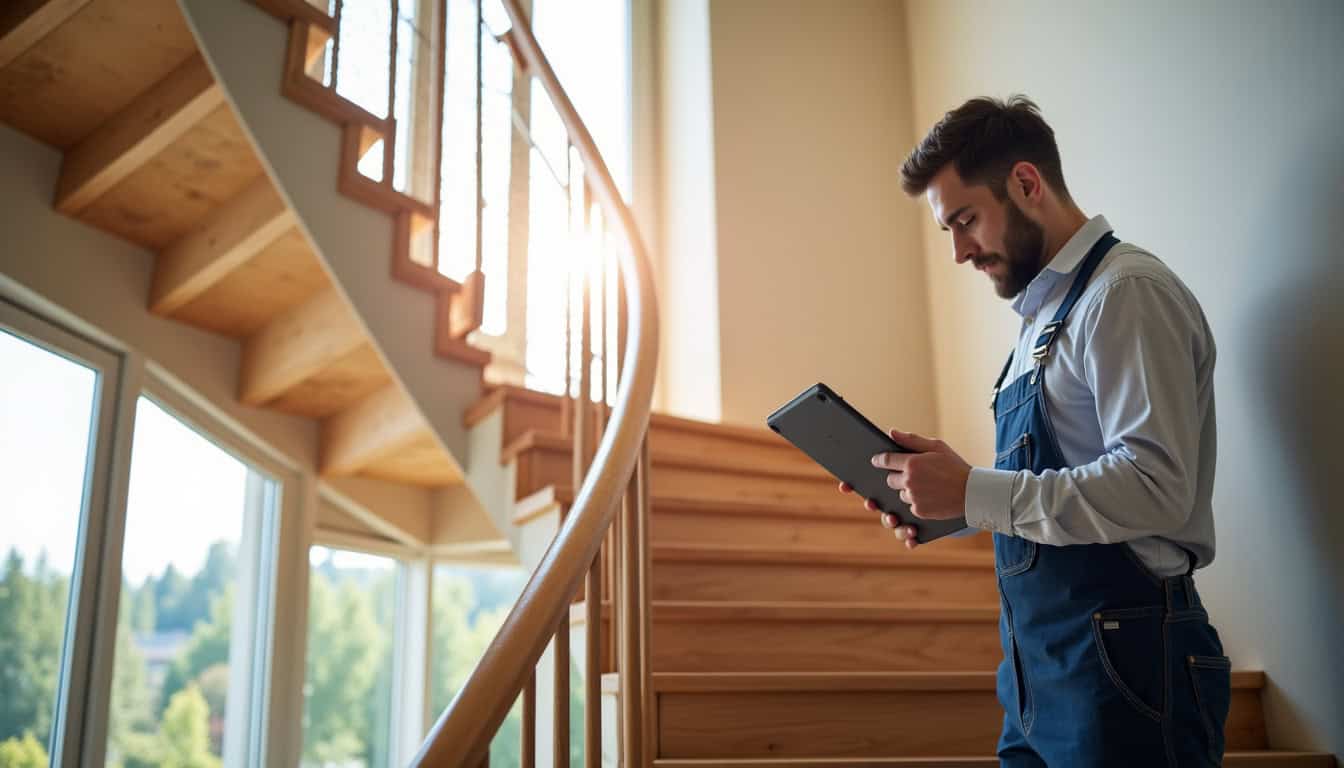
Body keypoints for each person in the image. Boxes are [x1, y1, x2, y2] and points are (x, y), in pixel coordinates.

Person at [839, 95, 1230, 767]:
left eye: (966, 221)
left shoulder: (1124, 293)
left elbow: (1156, 486)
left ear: (1026, 183)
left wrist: (977, 494)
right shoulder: (1036, 327)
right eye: (948, 232)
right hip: (1038, 672)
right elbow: (1061, 483)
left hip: (1129, 664)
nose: (959, 251)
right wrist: (955, 502)